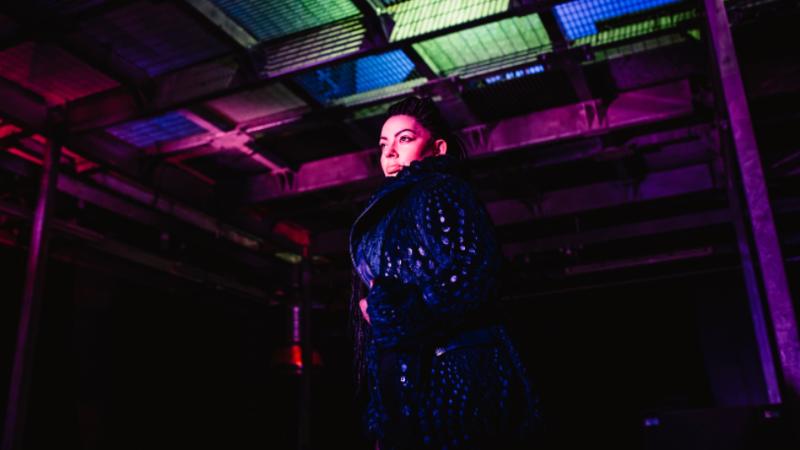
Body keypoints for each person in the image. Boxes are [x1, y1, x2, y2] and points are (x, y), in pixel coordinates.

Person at [349, 95, 543, 449]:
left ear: (437, 149)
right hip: (412, 382)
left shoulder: (437, 188)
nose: (389, 153)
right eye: (383, 144)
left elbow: (475, 270)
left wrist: (393, 310)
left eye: (404, 139)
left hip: (453, 378)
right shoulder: (395, 206)